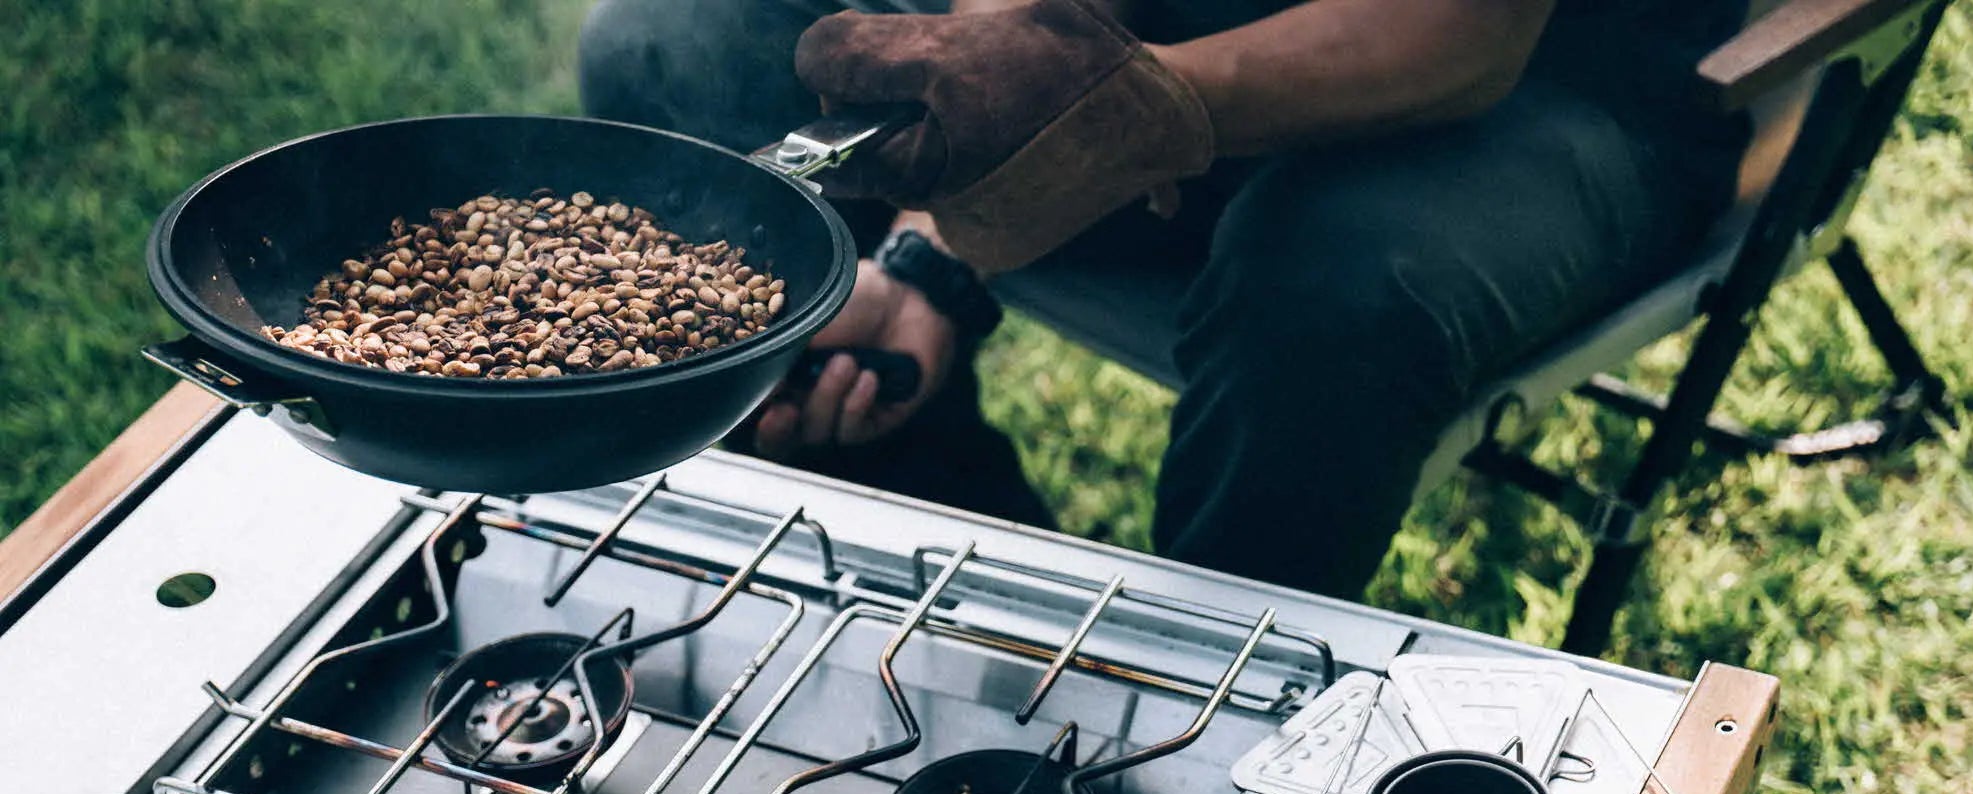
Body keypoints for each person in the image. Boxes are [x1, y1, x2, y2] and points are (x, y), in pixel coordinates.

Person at [578, 0, 1749, 601]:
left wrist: (1128, 107)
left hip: (1546, 88)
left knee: (1333, 289)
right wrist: (932, 254)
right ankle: (979, 601)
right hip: (1160, 36)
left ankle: (1207, 743)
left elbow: (1455, 38)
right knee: (672, 43)